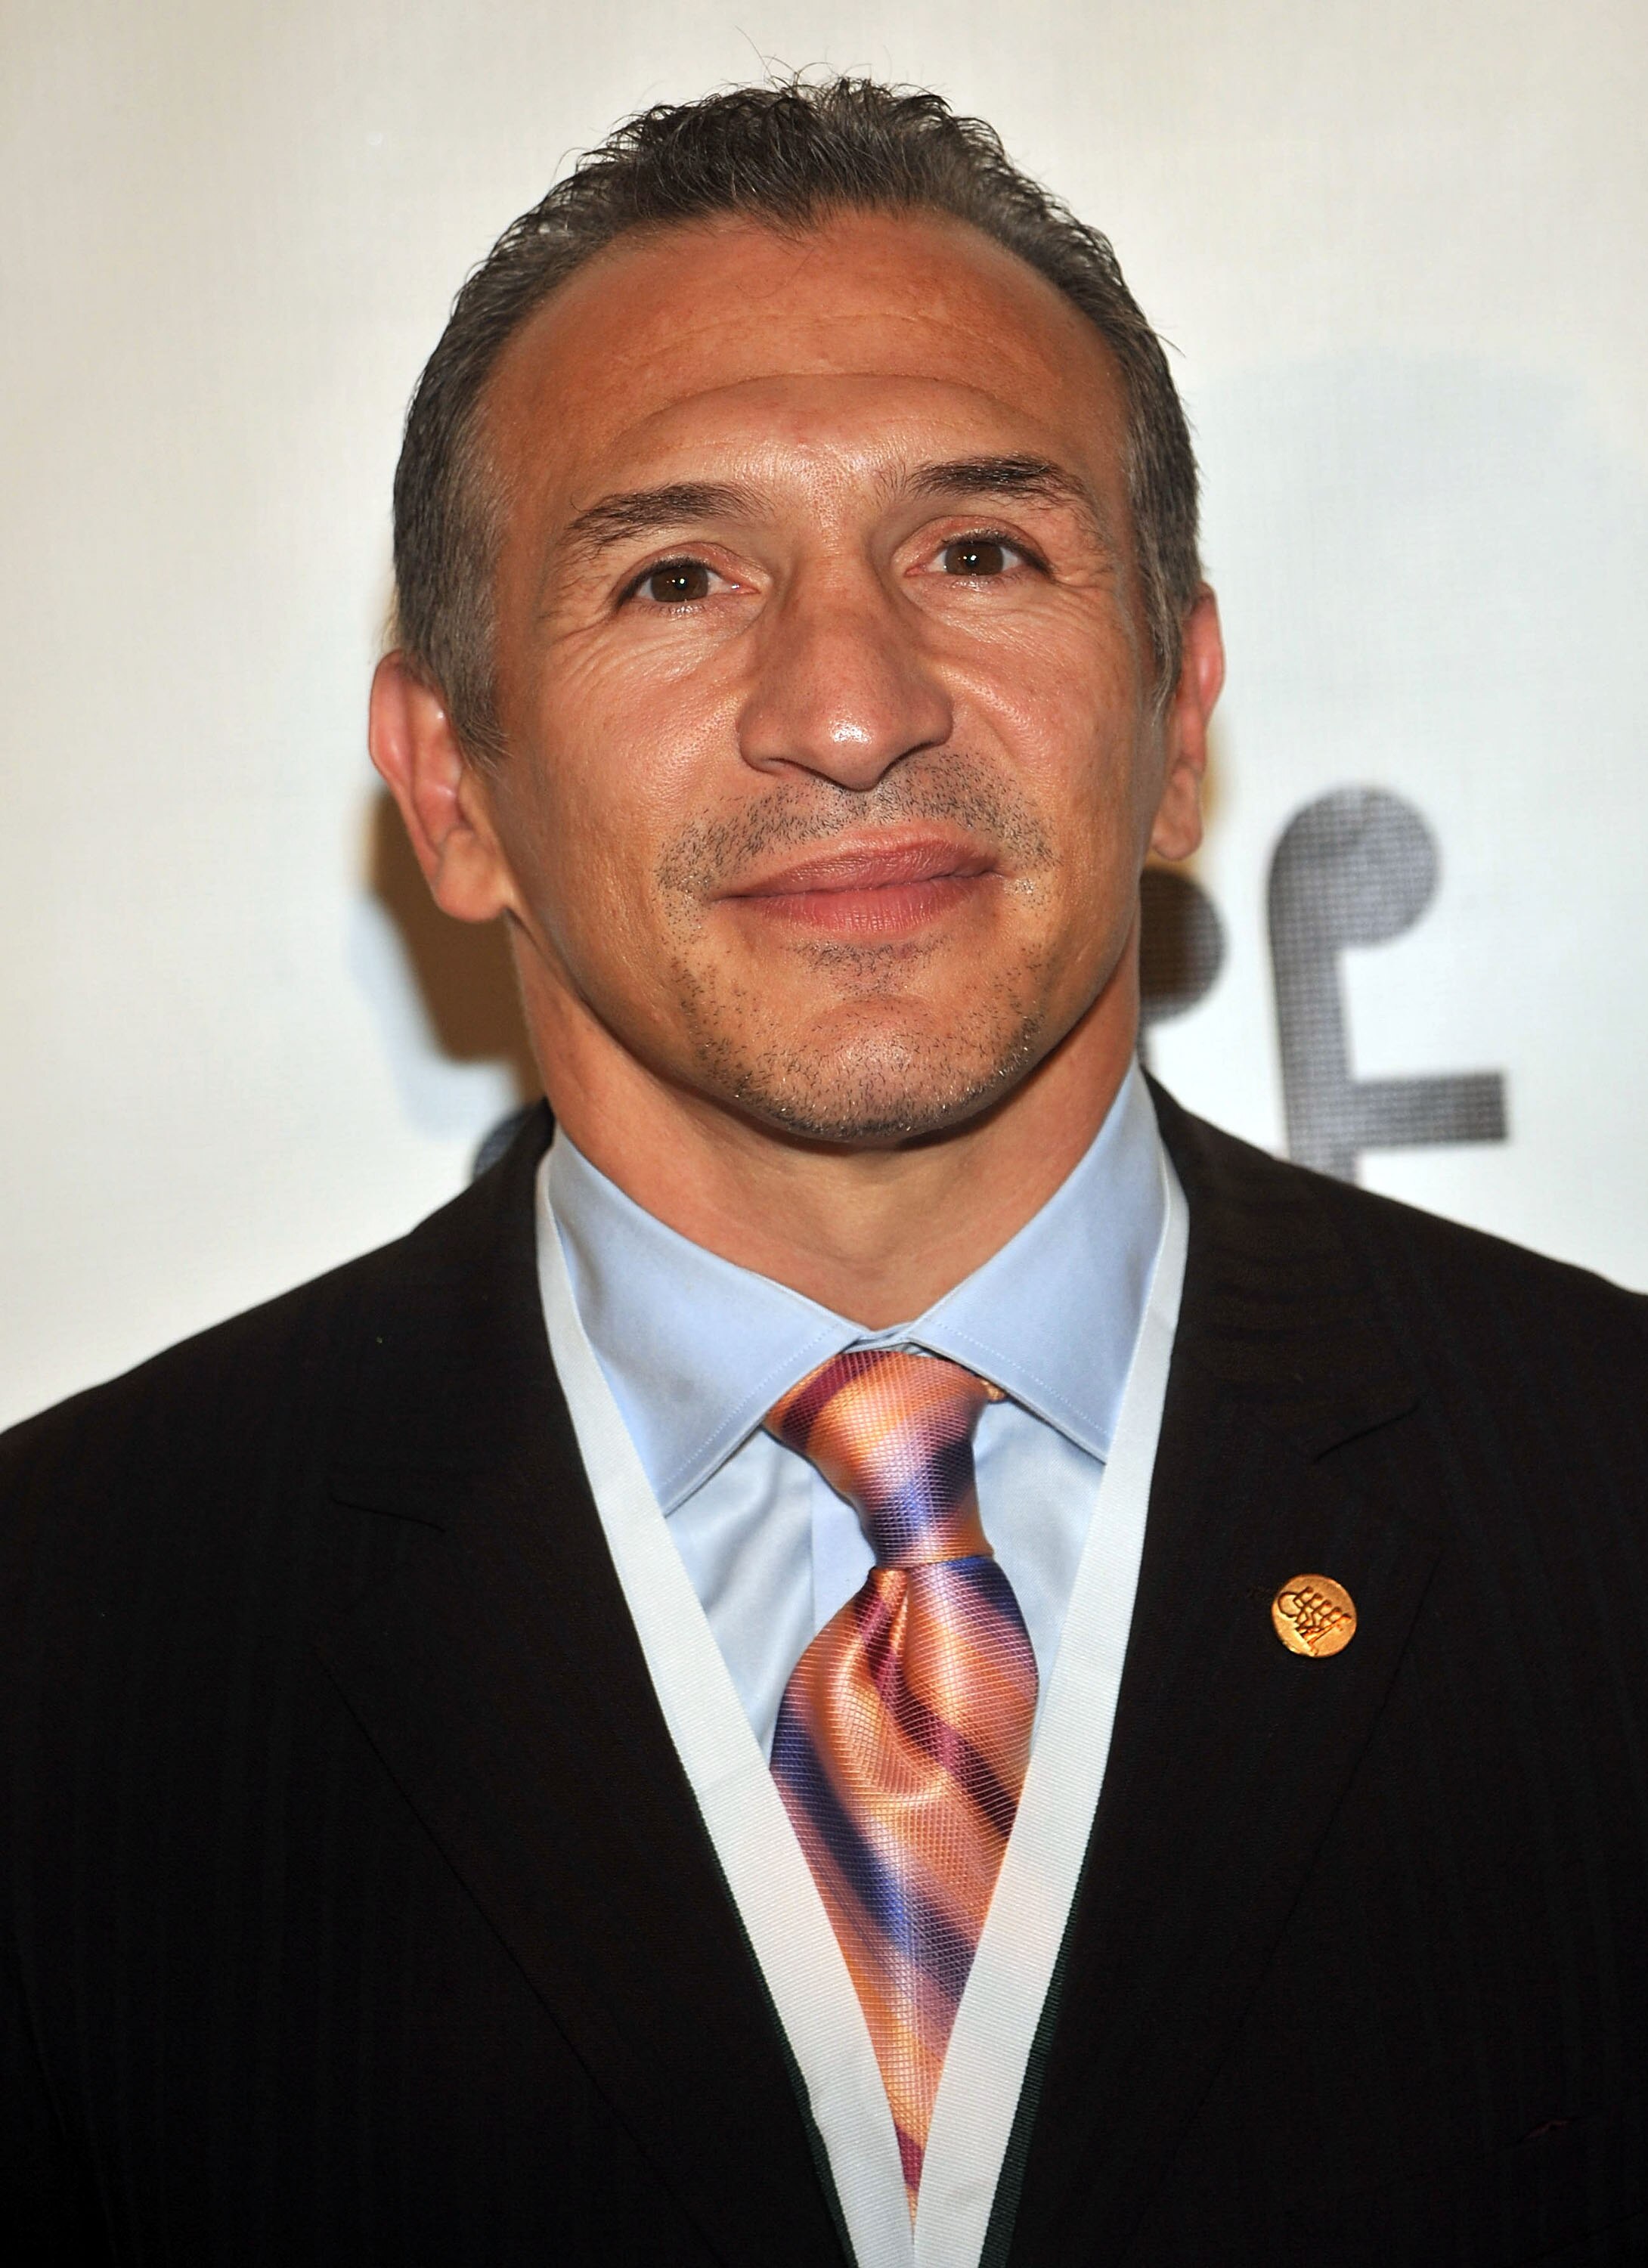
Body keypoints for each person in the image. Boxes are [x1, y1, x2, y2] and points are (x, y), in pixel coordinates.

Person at [3, 77, 1644, 2268]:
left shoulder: (1607, 1510)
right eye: (676, 575)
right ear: (451, 786)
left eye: (978, 551)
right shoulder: (66, 1642)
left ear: (1176, 719)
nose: (853, 706)